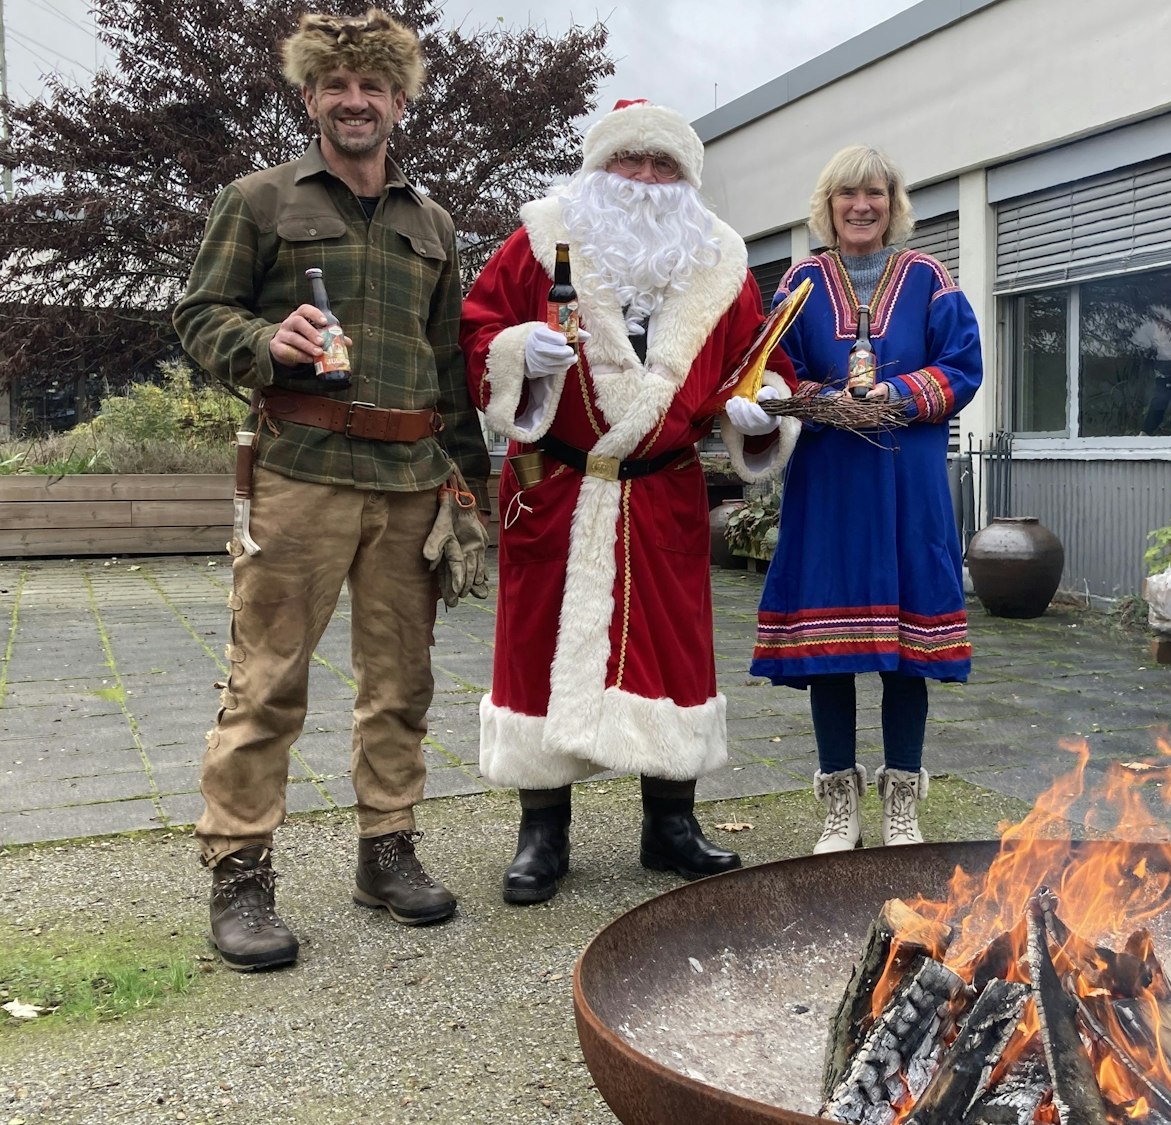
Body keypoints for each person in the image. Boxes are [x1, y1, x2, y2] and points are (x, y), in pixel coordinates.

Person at [173, 8, 490, 971]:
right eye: (336, 86)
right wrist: (262, 344)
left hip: (406, 481)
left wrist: (466, 489)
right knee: (266, 682)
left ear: (401, 101)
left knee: (402, 685)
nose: (356, 102)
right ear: (309, 96)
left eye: (375, 87)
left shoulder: (431, 224)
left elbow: (448, 367)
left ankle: (386, 853)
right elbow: (197, 313)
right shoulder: (260, 200)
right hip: (299, 475)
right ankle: (240, 873)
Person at [461, 98, 800, 904]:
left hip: (663, 492)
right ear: (598, 169)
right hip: (557, 484)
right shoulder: (541, 240)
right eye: (629, 162)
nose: (645, 180)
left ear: (686, 179)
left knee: (673, 647)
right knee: (538, 647)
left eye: (663, 165)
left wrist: (759, 407)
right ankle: (542, 832)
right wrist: (517, 352)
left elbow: (753, 363)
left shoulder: (720, 262)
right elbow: (477, 331)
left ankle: (670, 824)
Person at [751, 146, 982, 853]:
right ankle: (839, 805)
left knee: (908, 650)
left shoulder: (929, 278)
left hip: (908, 489)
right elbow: (773, 369)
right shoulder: (799, 281)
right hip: (830, 487)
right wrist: (824, 401)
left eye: (875, 192)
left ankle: (902, 801)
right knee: (832, 645)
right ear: (829, 202)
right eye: (849, 192)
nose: (862, 204)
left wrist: (902, 394)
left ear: (893, 201)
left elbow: (964, 364)